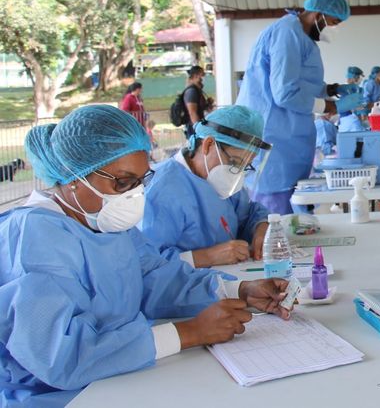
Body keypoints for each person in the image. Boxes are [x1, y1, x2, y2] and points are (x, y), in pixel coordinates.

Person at [0, 105, 292, 406]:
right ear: (75, 175)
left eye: (141, 181)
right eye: (123, 182)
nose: (134, 195)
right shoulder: (34, 238)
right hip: (63, 397)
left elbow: (157, 278)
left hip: (124, 375)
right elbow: (61, 357)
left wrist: (238, 290)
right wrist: (189, 332)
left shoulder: (102, 219)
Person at [236, 0, 362, 214]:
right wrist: (332, 106)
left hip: (288, 140)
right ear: (318, 14)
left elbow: (302, 83)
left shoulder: (301, 38)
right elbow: (285, 93)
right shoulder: (288, 34)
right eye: (331, 22)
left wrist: (332, 89)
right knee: (275, 221)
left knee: (295, 218)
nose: (330, 29)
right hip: (274, 138)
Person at [139, 106, 274, 267]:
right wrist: (208, 257)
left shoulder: (221, 182)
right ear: (208, 144)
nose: (237, 173)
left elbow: (249, 212)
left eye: (246, 166)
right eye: (235, 162)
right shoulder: (163, 191)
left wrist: (261, 228)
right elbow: (149, 262)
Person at [182, 66, 213, 138]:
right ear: (196, 76)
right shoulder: (191, 91)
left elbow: (201, 109)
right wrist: (199, 131)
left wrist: (208, 104)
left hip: (197, 126)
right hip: (194, 128)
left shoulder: (196, 90)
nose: (203, 78)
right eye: (202, 75)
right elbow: (192, 113)